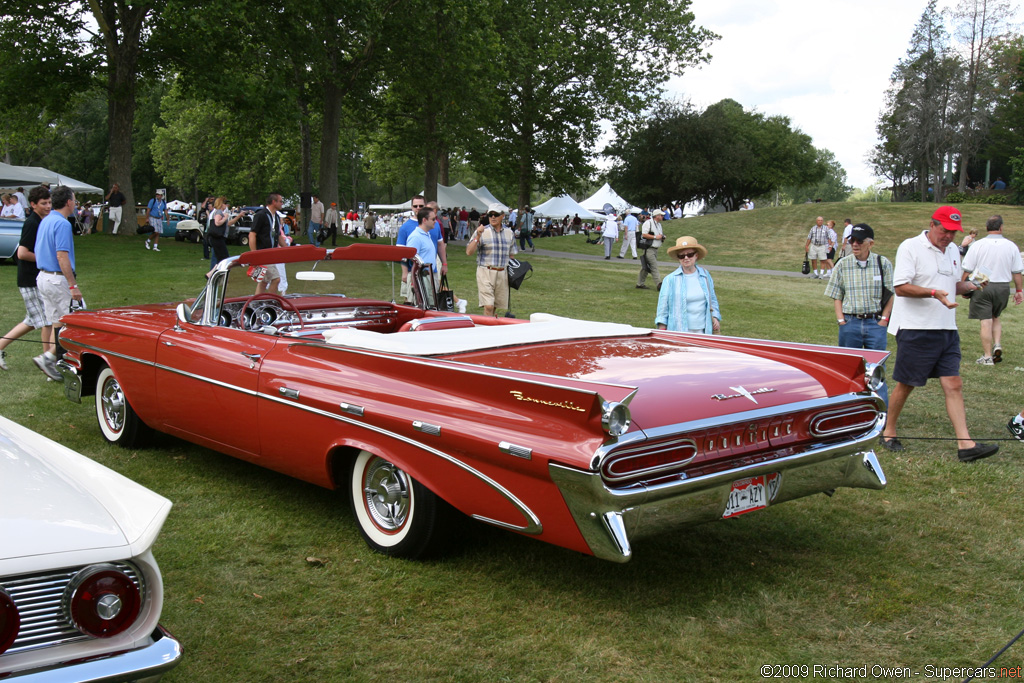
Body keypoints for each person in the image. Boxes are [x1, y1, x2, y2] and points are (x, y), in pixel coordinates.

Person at [880, 205, 997, 462]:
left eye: (954, 232)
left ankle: (965, 445)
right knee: (907, 383)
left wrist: (970, 286)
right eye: (945, 230)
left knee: (953, 383)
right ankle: (888, 430)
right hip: (916, 327)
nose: (949, 237)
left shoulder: (954, 250)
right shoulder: (910, 246)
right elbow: (900, 287)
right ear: (932, 224)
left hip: (946, 327)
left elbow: (951, 285)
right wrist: (933, 293)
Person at [824, 223, 893, 402]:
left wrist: (884, 319)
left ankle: (879, 411)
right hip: (850, 324)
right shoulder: (842, 265)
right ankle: (848, 408)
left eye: (859, 241)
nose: (854, 244)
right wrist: (841, 321)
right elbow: (836, 295)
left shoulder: (882, 263)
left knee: (876, 372)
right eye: (852, 240)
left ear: (871, 244)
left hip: (875, 324)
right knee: (848, 371)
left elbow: (891, 293)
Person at [0, 187, 58, 378]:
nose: (48, 206)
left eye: (49, 202)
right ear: (33, 205)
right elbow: (22, 253)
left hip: (36, 278)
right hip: (29, 279)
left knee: (32, 321)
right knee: (46, 322)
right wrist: (47, 259)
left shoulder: (43, 221)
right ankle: (48, 365)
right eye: (43, 203)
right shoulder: (32, 223)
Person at [960, 215, 1024, 365]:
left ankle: (988, 356)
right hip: (1003, 286)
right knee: (995, 316)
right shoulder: (1011, 246)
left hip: (982, 283)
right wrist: (1019, 291)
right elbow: (1017, 272)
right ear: (1001, 227)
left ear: (987, 228)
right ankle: (997, 344)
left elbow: (967, 269)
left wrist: (962, 286)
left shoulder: (978, 245)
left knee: (985, 320)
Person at [33, 186, 83, 381]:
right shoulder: (62, 224)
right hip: (56, 279)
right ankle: (48, 358)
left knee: (57, 322)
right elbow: (62, 256)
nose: (76, 204)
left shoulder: (46, 221)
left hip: (43, 277)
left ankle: (55, 366)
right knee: (76, 319)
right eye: (75, 200)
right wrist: (73, 285)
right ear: (69, 202)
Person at [656, 236, 720, 334]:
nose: (686, 258)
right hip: (678, 331)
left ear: (696, 256)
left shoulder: (705, 275)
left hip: (704, 330)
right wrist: (662, 330)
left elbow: (713, 300)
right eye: (681, 256)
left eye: (690, 254)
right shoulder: (670, 279)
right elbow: (662, 309)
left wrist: (715, 316)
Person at [467, 203, 517, 317]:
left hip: (502, 273)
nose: (493, 217)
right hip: (485, 271)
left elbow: (512, 255)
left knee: (494, 306)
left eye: (496, 214)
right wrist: (478, 236)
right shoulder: (482, 231)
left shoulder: (509, 233)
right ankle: (487, 331)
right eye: (490, 214)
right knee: (488, 306)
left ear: (503, 216)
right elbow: (469, 252)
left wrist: (514, 271)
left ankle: (489, 327)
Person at [247, 192, 285, 294]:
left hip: (270, 254)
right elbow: (252, 234)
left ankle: (257, 303)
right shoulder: (261, 215)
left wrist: (287, 250)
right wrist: (254, 255)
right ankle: (270, 303)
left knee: (263, 281)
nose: (282, 203)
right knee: (276, 279)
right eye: (280, 201)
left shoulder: (276, 217)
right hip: (262, 254)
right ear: (274, 202)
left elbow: (278, 236)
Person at [397, 195, 428, 303]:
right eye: (415, 206)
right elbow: (401, 252)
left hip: (429, 272)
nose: (418, 208)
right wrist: (404, 272)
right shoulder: (406, 227)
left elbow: (439, 245)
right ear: (412, 207)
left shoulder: (432, 224)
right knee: (410, 301)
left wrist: (444, 265)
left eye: (421, 205)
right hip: (412, 271)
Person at [206, 197, 247, 272]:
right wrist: (225, 217)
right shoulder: (218, 212)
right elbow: (217, 223)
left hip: (218, 237)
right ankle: (214, 275)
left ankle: (212, 274)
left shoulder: (219, 212)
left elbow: (228, 224)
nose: (226, 205)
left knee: (219, 259)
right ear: (221, 204)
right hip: (217, 237)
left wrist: (238, 216)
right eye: (225, 203)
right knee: (221, 258)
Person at [636, 209, 665, 290]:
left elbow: (658, 235)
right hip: (649, 248)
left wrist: (661, 237)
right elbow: (644, 234)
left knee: (645, 267)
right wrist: (656, 237)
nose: (663, 216)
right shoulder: (648, 223)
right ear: (657, 216)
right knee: (653, 266)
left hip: (655, 248)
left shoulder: (659, 225)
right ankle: (659, 284)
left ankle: (639, 284)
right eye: (661, 215)